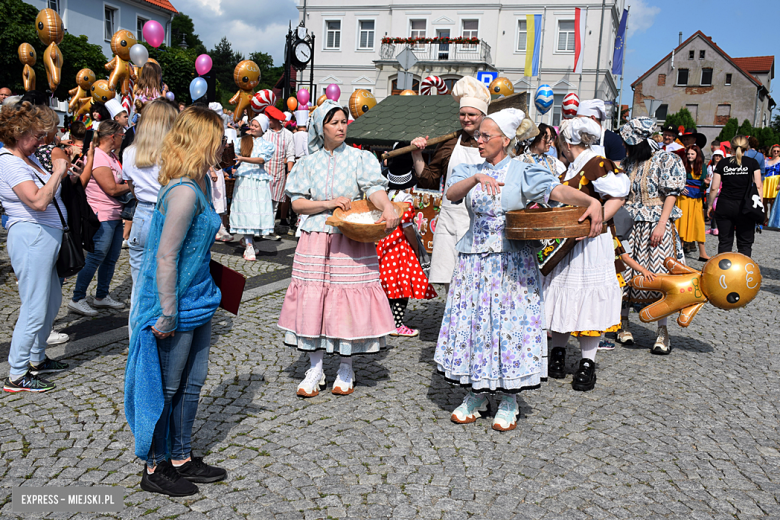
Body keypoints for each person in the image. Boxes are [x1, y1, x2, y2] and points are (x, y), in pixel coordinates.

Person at [435, 109, 607, 430]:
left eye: (487, 136)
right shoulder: (467, 168)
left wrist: (591, 202)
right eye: (479, 135)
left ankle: (510, 398)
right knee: (477, 325)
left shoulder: (522, 171)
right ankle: (477, 392)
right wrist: (476, 178)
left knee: (507, 326)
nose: (480, 140)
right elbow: (452, 194)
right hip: (475, 260)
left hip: (512, 262)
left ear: (506, 140)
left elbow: (556, 191)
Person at [125, 106, 227, 497]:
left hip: (199, 296)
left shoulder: (198, 183)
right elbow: (165, 257)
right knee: (165, 389)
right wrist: (166, 313)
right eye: (218, 138)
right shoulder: (184, 191)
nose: (223, 145)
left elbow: (192, 244)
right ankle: (154, 466)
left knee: (191, 383)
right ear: (203, 140)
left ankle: (181, 456)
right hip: (176, 303)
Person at [278, 100, 400, 398]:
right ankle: (315, 367)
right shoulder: (307, 162)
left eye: (344, 121)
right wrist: (327, 203)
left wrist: (388, 208)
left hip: (349, 238)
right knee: (313, 299)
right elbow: (297, 203)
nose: (341, 126)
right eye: (334, 122)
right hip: (316, 239)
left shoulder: (360, 158)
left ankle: (346, 366)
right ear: (321, 127)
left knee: (345, 298)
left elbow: (373, 189)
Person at [544, 117, 629, 391]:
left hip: (591, 245)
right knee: (562, 293)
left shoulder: (596, 163)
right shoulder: (572, 167)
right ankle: (558, 353)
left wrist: (599, 220)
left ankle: (587, 363)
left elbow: (620, 192)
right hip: (567, 243)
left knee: (588, 298)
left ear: (567, 143)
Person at [0, 102, 70, 392]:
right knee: (34, 305)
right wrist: (57, 172)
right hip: (31, 237)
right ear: (18, 133)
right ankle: (17, 373)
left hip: (45, 236)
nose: (40, 141)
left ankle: (37, 357)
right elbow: (39, 201)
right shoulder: (9, 161)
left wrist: (62, 174)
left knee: (51, 302)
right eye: (35, 135)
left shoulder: (27, 159)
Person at [410, 76, 491, 292]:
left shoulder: (492, 144)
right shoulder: (449, 144)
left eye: (471, 114)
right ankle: (451, 324)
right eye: (462, 114)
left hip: (481, 223)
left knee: (479, 283)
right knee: (450, 282)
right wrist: (417, 154)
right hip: (451, 221)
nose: (466, 119)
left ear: (482, 115)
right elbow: (429, 178)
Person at [618, 117, 686, 355]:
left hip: (657, 225)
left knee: (661, 277)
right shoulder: (629, 163)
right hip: (630, 225)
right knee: (625, 274)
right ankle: (623, 323)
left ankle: (662, 332)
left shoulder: (666, 159)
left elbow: (671, 194)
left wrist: (661, 224)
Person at [68, 120, 130, 316]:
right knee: (96, 257)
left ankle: (101, 296)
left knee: (111, 258)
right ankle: (77, 298)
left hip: (114, 213)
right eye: (121, 135)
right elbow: (111, 188)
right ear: (112, 137)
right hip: (101, 214)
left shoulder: (111, 156)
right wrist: (134, 186)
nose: (123, 138)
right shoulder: (100, 158)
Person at [375, 147, 436, 338]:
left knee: (386, 284)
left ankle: (384, 321)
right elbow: (408, 227)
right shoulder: (405, 198)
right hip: (400, 247)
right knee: (402, 286)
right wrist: (417, 248)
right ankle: (397, 323)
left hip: (383, 244)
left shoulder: (383, 194)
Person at [122, 98, 178, 302]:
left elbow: (132, 189)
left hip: (142, 214)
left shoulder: (129, 153)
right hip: (169, 214)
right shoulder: (175, 154)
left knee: (138, 287)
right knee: (167, 285)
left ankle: (136, 333)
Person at [230, 114, 277, 260]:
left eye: (256, 126)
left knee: (256, 210)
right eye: (252, 125)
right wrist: (232, 166)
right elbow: (232, 156)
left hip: (258, 180)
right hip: (244, 179)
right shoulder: (242, 141)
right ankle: (249, 244)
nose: (252, 128)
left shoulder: (267, 145)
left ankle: (249, 241)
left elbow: (261, 159)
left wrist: (243, 159)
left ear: (263, 129)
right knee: (245, 210)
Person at [707, 135, 762, 257]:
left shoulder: (722, 163)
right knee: (745, 243)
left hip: (725, 205)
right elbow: (758, 186)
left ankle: (723, 273)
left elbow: (714, 187)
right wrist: (759, 206)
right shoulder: (752, 163)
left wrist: (710, 205)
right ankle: (745, 273)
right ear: (746, 147)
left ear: (730, 147)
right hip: (745, 206)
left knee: (725, 242)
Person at [263, 106, 295, 233]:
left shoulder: (288, 135)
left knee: (275, 202)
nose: (268, 122)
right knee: (264, 201)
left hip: (280, 171)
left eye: (270, 120)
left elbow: (290, 155)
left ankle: (269, 228)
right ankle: (263, 227)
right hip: (265, 170)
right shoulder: (266, 133)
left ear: (275, 120)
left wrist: (289, 172)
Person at [676, 145, 709, 261]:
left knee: (698, 224)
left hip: (697, 198)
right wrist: (680, 187)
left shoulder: (702, 166)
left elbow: (704, 184)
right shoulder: (681, 165)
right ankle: (679, 252)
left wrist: (706, 183)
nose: (690, 156)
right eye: (688, 154)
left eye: (692, 154)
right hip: (683, 197)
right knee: (682, 223)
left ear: (697, 155)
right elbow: (675, 179)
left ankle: (702, 253)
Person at [575, 99, 627, 166]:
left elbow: (617, 170)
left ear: (592, 118)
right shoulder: (576, 139)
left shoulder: (615, 141)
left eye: (580, 120)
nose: (577, 124)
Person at [706, 149, 724, 235]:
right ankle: (712, 227)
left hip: (719, 190)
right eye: (716, 156)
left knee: (717, 209)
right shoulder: (710, 167)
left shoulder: (723, 167)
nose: (717, 157)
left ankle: (717, 227)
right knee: (711, 210)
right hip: (709, 189)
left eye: (719, 156)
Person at [763, 144, 780, 222]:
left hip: (775, 181)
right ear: (771, 151)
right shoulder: (767, 160)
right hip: (766, 181)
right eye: (774, 151)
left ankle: (772, 219)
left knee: (773, 201)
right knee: (764, 201)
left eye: (778, 151)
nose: (776, 152)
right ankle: (765, 218)